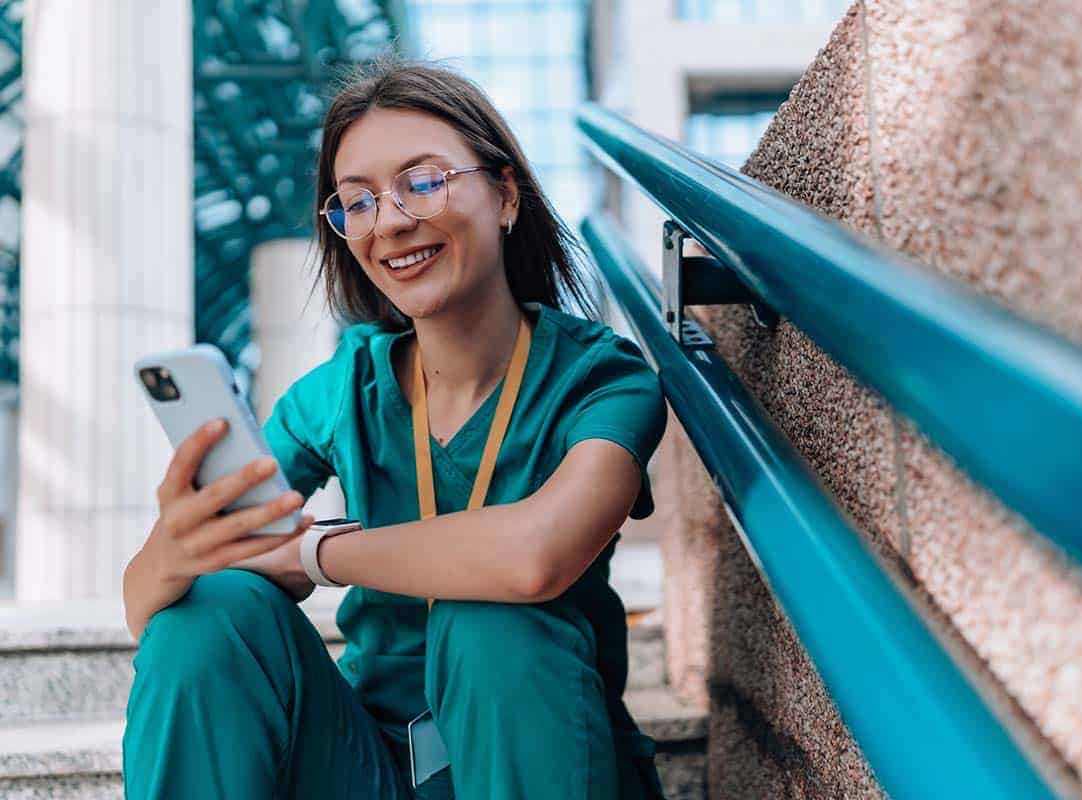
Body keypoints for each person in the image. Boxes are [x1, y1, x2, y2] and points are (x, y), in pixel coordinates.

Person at [120, 58, 670, 800]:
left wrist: (317, 551)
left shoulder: (603, 379)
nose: (392, 221)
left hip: (532, 753)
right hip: (366, 767)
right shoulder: (342, 391)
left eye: (424, 181)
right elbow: (145, 606)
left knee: (494, 625)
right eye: (357, 201)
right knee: (206, 614)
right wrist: (174, 548)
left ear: (506, 194)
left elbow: (536, 556)